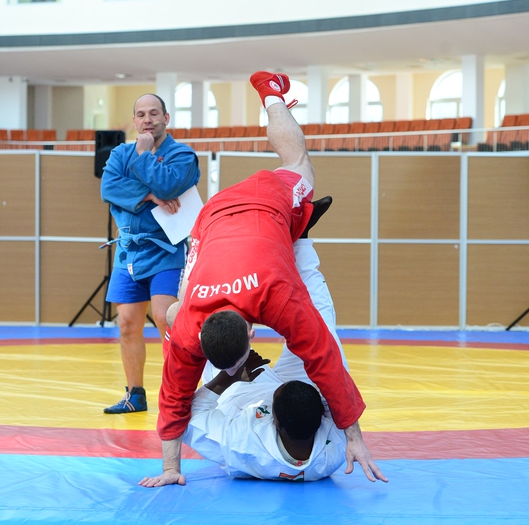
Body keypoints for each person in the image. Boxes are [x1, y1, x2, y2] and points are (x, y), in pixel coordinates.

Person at [140, 72, 386, 486]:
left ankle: (274, 99)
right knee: (296, 164)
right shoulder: (270, 298)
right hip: (215, 222)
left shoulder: (254, 303)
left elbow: (174, 397)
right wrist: (353, 436)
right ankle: (272, 99)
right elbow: (324, 360)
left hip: (245, 210)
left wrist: (171, 468)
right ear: (251, 329)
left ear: (251, 331)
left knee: (299, 165)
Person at [181, 238, 353, 482]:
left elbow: (189, 418)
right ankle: (302, 240)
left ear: (275, 421)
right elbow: (339, 388)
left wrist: (228, 376)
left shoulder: (239, 445)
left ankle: (213, 256)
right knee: (321, 328)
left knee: (217, 338)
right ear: (322, 420)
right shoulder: (334, 449)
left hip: (240, 399)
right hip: (299, 401)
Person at [100, 93, 200, 414]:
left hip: (165, 250)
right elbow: (109, 188)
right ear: (134, 120)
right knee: (127, 323)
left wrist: (144, 157)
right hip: (129, 251)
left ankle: (178, 395)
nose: (147, 120)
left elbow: (169, 185)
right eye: (141, 114)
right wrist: (150, 196)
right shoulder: (120, 154)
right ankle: (135, 395)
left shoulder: (182, 155)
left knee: (164, 318)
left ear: (166, 118)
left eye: (154, 113)